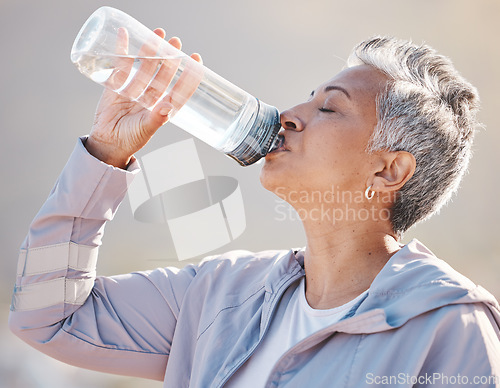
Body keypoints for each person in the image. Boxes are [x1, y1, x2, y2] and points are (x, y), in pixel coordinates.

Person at [9, 31, 500, 387]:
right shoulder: (220, 296)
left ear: (388, 171)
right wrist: (105, 152)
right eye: (308, 98)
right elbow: (48, 317)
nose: (289, 115)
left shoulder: (447, 326)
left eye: (328, 108)